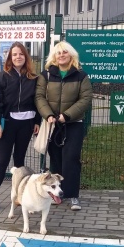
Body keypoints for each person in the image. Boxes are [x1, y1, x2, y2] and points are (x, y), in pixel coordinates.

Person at [0, 42, 41, 213]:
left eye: (21, 54)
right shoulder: (1, 77)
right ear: (9, 58)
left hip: (27, 125)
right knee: (2, 161)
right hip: (8, 125)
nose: (18, 57)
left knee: (20, 162)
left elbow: (37, 102)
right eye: (14, 54)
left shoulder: (33, 78)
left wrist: (37, 121)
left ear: (26, 57)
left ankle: (19, 197)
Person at [35, 41, 93, 211]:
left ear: (71, 55)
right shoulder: (45, 75)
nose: (61, 55)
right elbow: (39, 97)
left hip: (73, 123)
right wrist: (49, 115)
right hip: (53, 124)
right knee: (56, 159)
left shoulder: (81, 76)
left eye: (65, 52)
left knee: (71, 158)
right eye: (58, 53)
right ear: (54, 56)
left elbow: (86, 98)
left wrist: (66, 115)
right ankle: (56, 193)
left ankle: (73, 195)